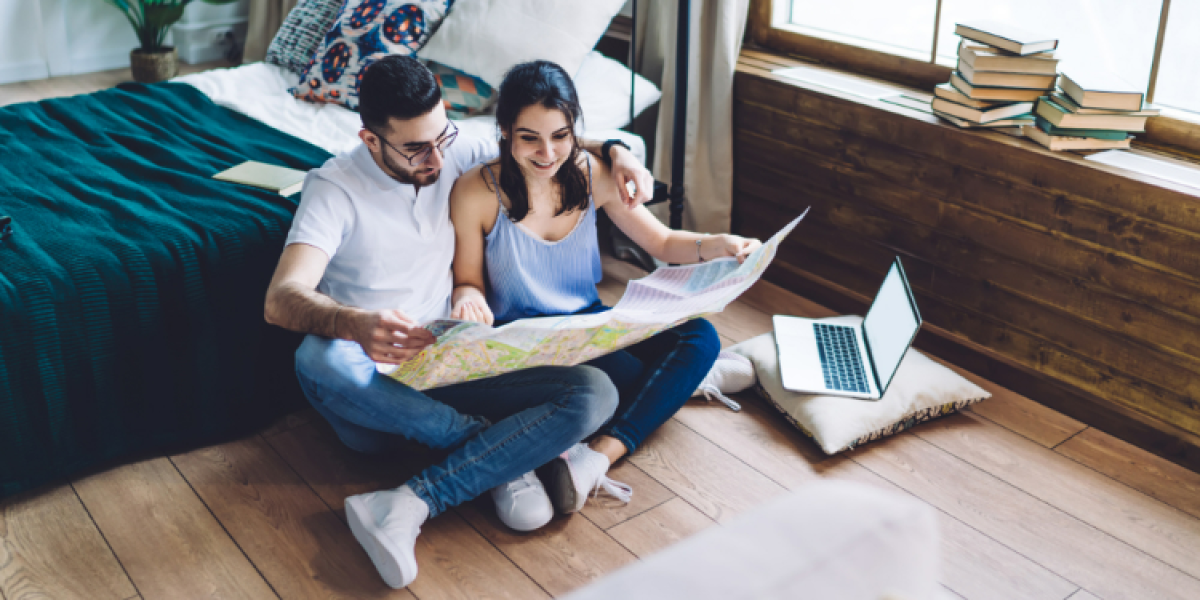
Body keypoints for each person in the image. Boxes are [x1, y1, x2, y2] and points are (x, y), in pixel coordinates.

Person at [263, 55, 655, 590]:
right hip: (378, 390)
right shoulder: (332, 190)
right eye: (416, 148)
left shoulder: (451, 145)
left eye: (441, 137)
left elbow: (550, 141)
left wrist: (620, 151)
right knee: (317, 357)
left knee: (595, 392)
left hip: (455, 365)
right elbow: (281, 299)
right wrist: (352, 322)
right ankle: (500, 453)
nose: (435, 157)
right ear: (371, 139)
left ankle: (410, 501)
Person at [449, 60, 762, 513]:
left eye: (560, 135)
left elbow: (663, 242)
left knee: (701, 336)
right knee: (630, 380)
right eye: (529, 138)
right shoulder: (475, 192)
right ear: (504, 132)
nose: (547, 153)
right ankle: (676, 387)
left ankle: (596, 457)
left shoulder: (591, 171)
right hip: (531, 343)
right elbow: (468, 281)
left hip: (593, 324)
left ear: (575, 128)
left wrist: (720, 244)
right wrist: (468, 299)